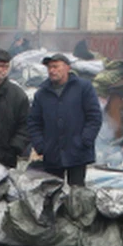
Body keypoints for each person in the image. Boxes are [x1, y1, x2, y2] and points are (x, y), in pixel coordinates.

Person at [27, 53, 102, 187]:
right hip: (52, 153)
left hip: (78, 152)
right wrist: (40, 145)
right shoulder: (42, 93)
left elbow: (94, 117)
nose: (52, 70)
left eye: (56, 67)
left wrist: (85, 140)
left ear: (67, 68)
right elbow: (34, 122)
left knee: (77, 193)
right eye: (49, 67)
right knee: (53, 193)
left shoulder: (83, 88)